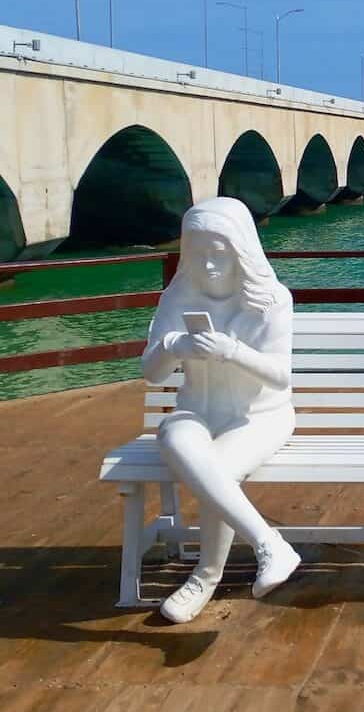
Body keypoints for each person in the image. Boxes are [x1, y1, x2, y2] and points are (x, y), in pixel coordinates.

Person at [142, 197, 300, 623]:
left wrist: (231, 351)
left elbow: (280, 376)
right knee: (175, 434)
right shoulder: (177, 299)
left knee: (220, 470)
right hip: (197, 411)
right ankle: (271, 544)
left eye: (219, 254)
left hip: (259, 416)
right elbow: (151, 374)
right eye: (199, 255)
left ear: (240, 251)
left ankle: (205, 576)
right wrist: (175, 345)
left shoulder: (271, 301)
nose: (209, 266)